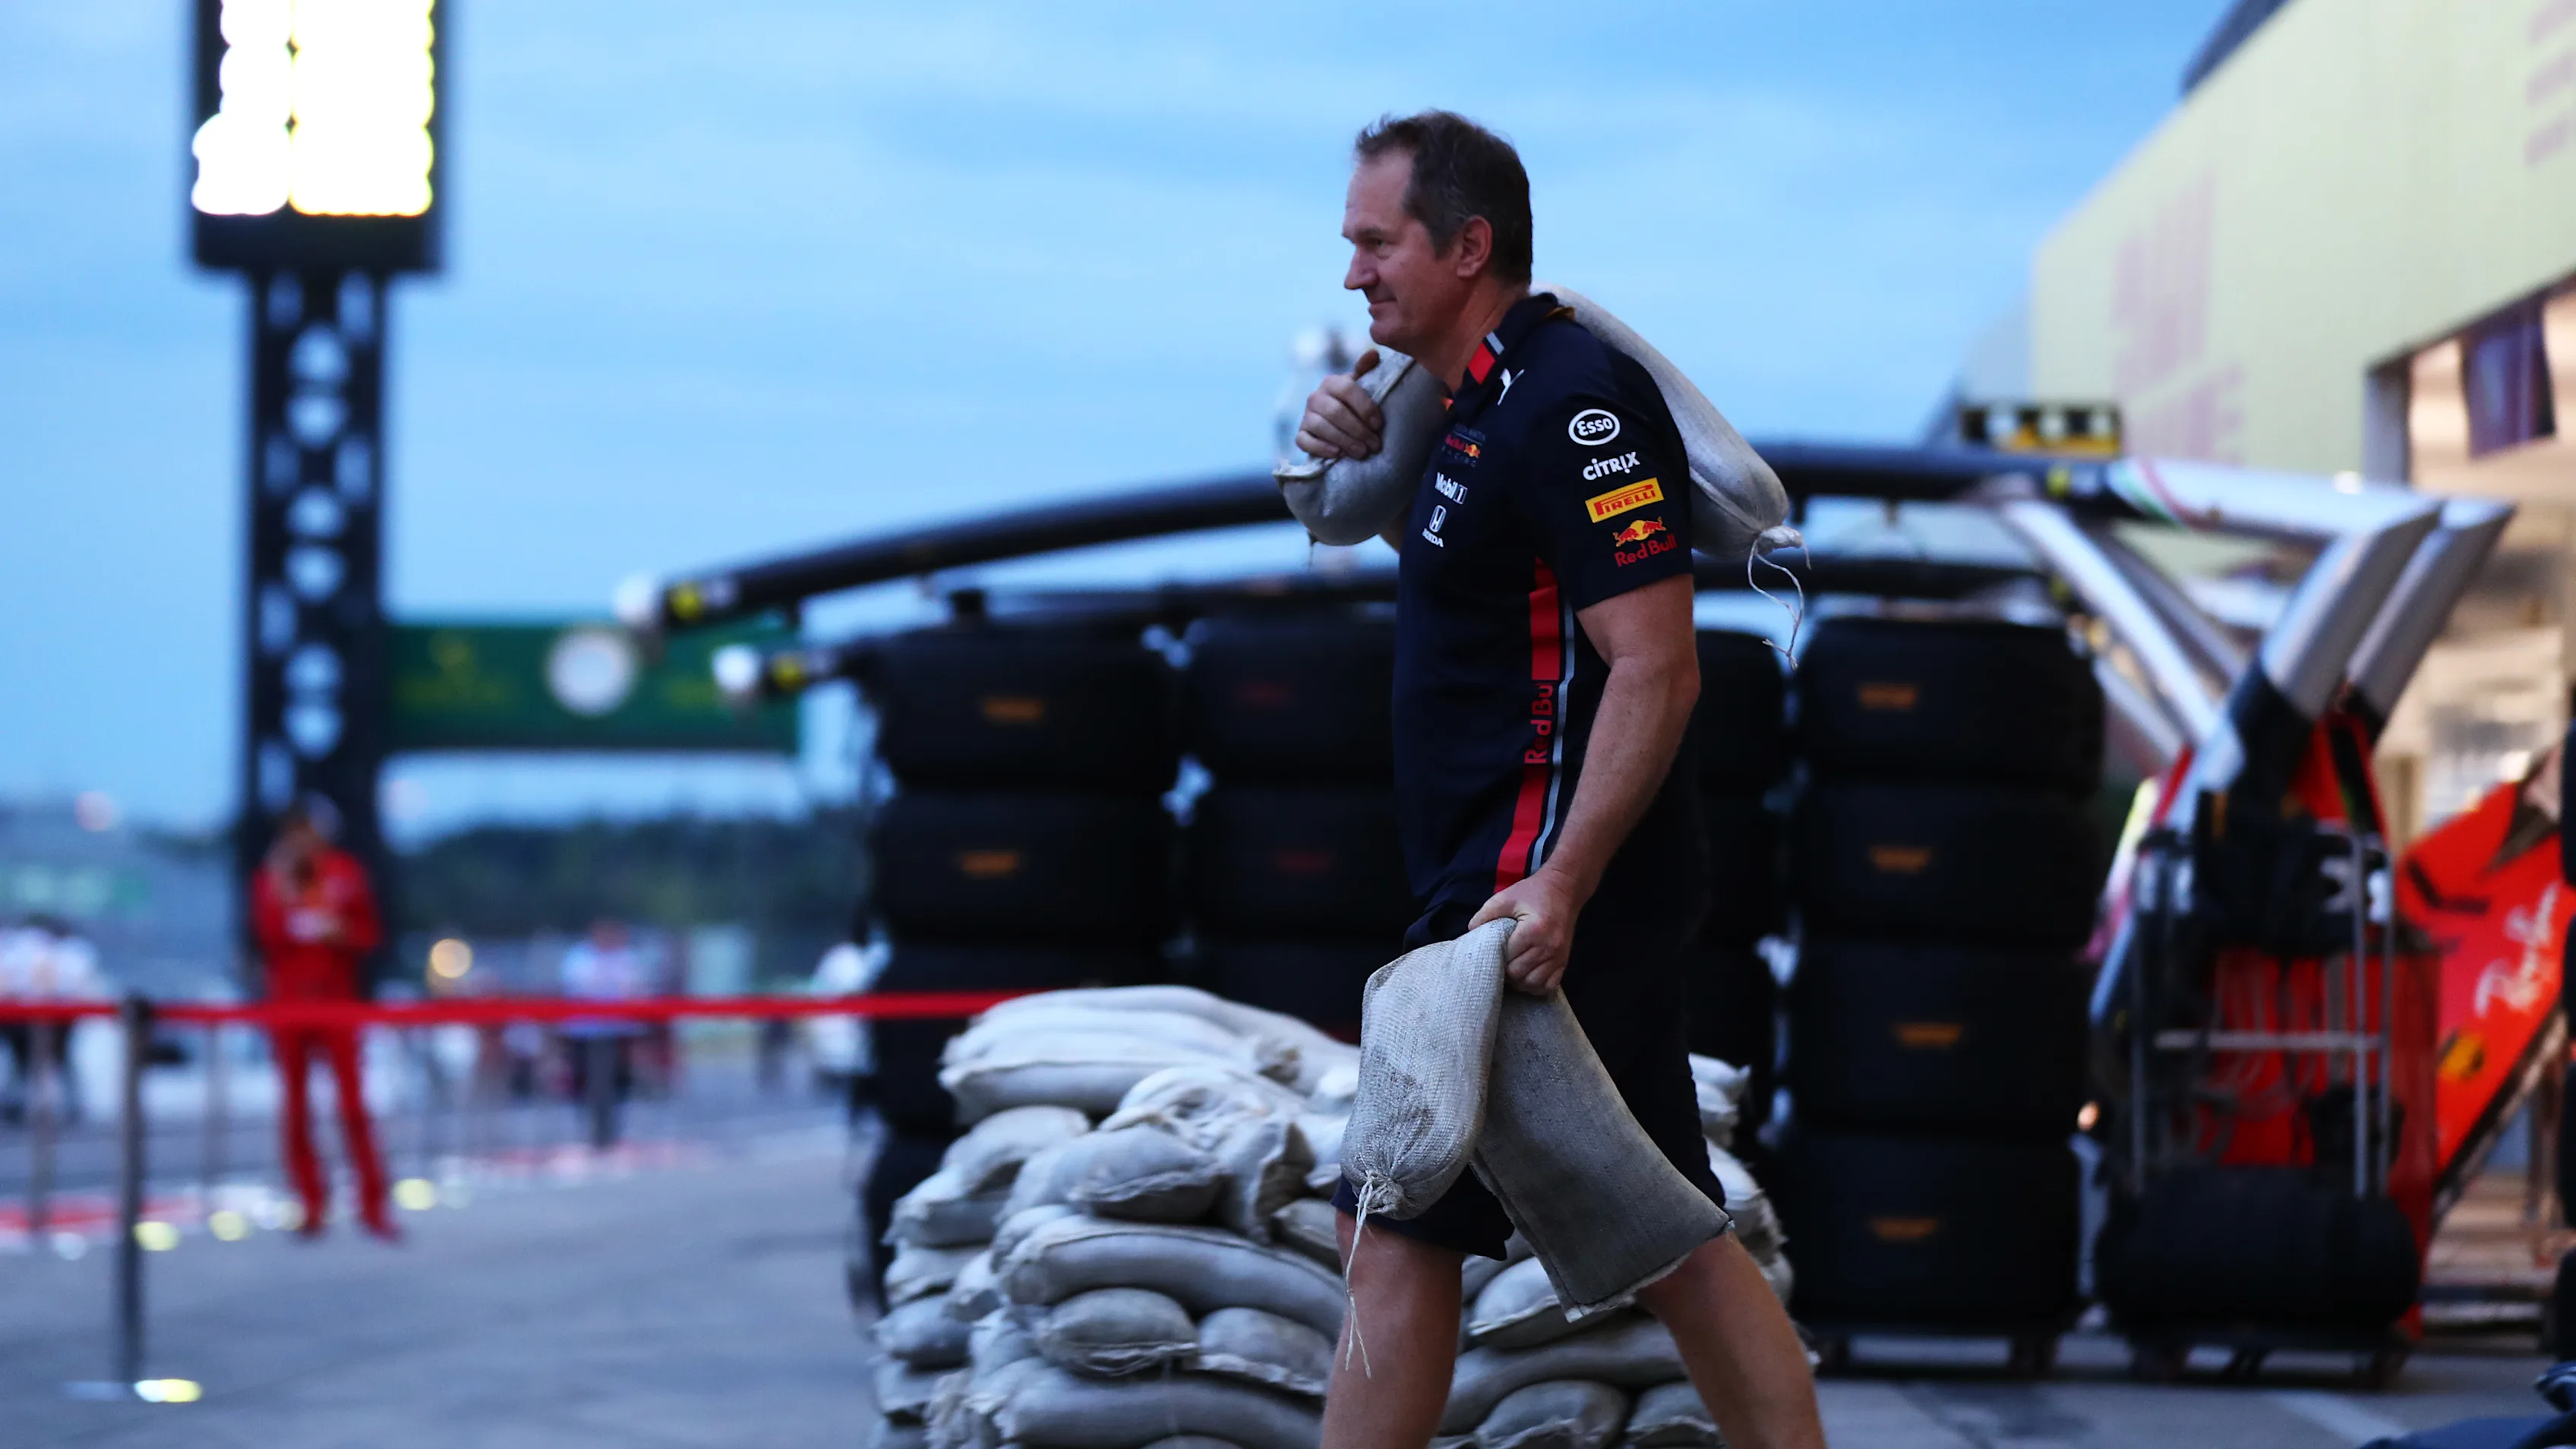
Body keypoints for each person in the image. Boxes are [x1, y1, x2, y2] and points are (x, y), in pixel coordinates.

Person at [1293, 113, 1825, 1449]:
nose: (1352, 272)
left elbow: (1654, 667)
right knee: (1674, 1235)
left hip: (1526, 902)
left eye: (1376, 241)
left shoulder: (1571, 400)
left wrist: (1558, 887)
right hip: (1515, 886)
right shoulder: (1464, 407)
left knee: (1396, 1224)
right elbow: (1334, 511)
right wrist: (1343, 435)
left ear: (1470, 245)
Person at [249, 797, 396, 1240]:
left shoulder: (346, 873)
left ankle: (372, 1205)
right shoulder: (270, 878)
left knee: (352, 1106)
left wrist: (340, 932)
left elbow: (370, 934)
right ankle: (311, 1202)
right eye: (293, 831)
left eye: (308, 829)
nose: (301, 839)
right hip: (289, 1004)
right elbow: (267, 935)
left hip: (337, 1001)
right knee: (295, 1110)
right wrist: (283, 889)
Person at [560, 918, 649, 1144]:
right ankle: (592, 1131)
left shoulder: (626, 958)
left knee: (619, 1083)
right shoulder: (580, 957)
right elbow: (580, 986)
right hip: (585, 1032)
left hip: (618, 1031)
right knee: (585, 1084)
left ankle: (612, 1131)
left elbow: (633, 988)